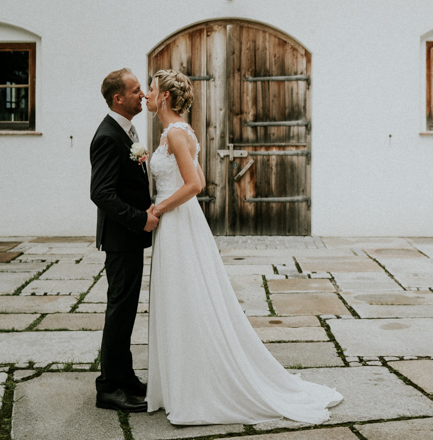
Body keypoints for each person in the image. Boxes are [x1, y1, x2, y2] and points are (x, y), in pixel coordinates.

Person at [144, 69, 342, 425]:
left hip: (174, 221)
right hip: (180, 223)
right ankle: (181, 381)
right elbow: (200, 178)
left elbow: (194, 185)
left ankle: (195, 389)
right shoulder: (176, 133)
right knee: (184, 296)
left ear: (165, 98)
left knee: (185, 296)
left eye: (152, 89)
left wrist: (158, 207)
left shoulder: (175, 133)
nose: (146, 94)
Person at [90, 68, 158, 413]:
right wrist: (140, 219)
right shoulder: (107, 136)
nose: (143, 95)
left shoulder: (126, 131)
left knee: (126, 309)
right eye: (135, 91)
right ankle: (108, 387)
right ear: (118, 98)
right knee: (119, 309)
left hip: (128, 238)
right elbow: (100, 193)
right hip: (121, 238)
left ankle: (125, 375)